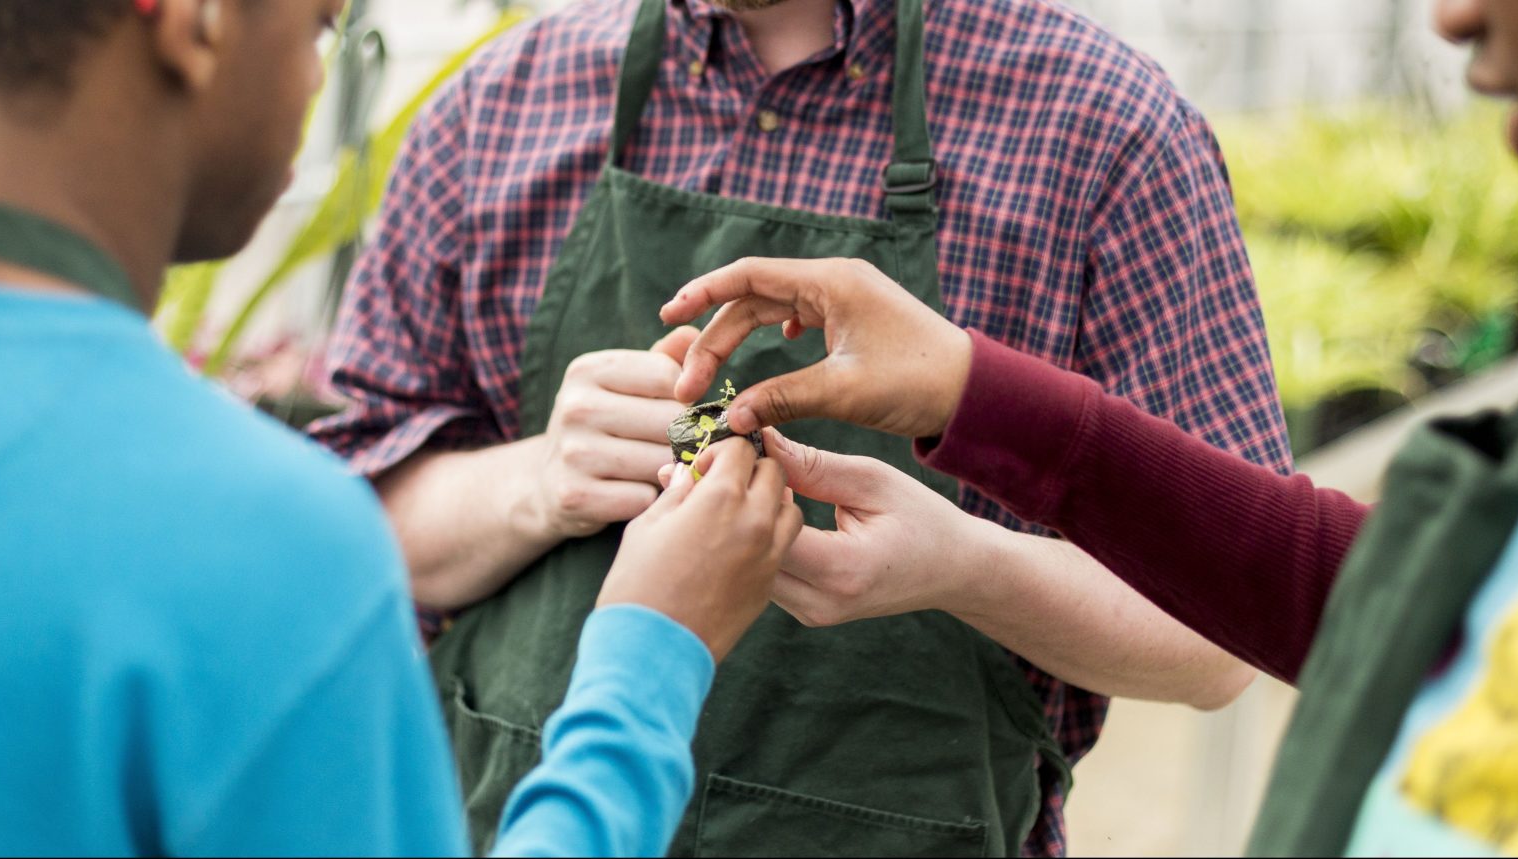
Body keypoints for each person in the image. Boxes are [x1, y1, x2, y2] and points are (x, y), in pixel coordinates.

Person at [655, 0, 1518, 854]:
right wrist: (969, 392)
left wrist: (969, 564)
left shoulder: (1106, 119)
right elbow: (1400, 606)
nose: (1452, 21)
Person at [313, 0, 1290, 849]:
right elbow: (353, 538)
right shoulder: (495, 112)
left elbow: (1220, 639)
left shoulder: (1102, 131)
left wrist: (964, 569)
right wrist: (535, 481)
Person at [0, 0, 802, 855]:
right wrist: (649, 660)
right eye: (317, 28)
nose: (310, 82)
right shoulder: (260, 544)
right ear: (195, 19)